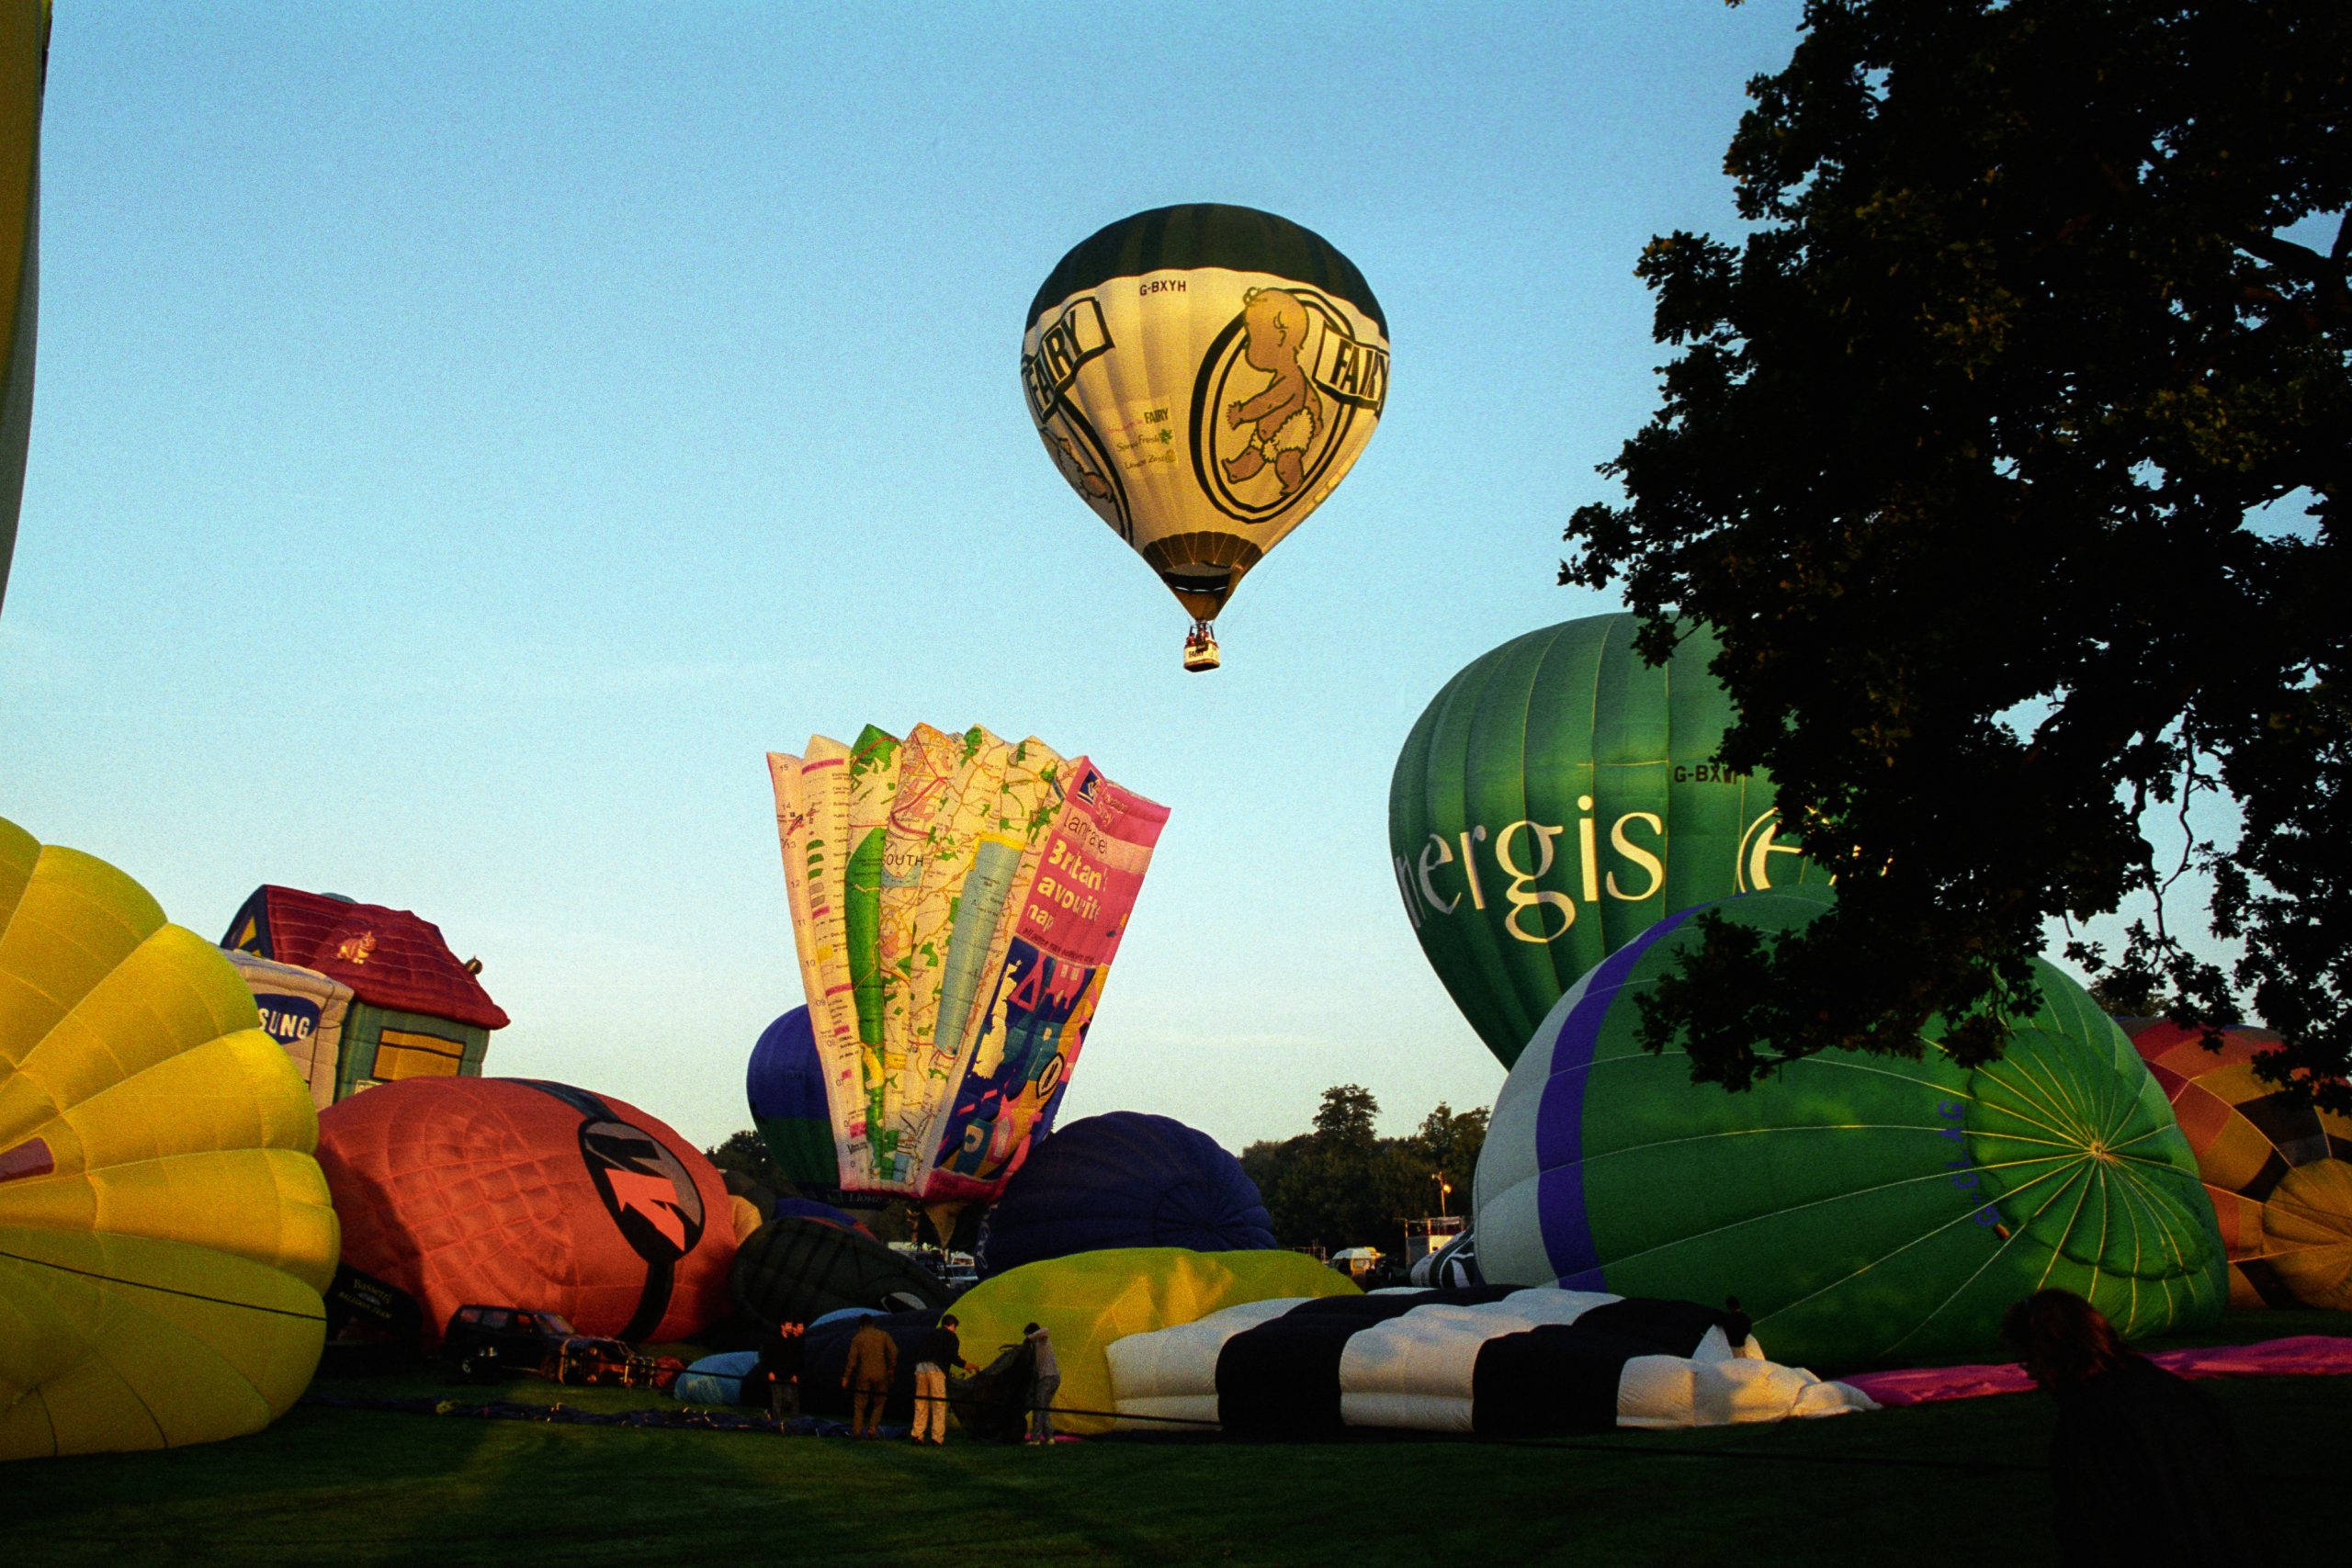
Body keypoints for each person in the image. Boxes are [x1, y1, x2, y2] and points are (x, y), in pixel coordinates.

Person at [1999, 1289, 2256, 1566]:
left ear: (2051, 1352)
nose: (2031, 1374)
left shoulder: (2091, 1418)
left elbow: (2093, 1523)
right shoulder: (2173, 1391)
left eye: (2029, 1361)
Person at [909, 1313, 964, 1446]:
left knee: (921, 1402)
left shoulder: (930, 1334)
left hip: (920, 1367)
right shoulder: (951, 1336)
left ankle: (917, 1434)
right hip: (936, 1369)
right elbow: (952, 1355)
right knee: (938, 1403)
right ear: (952, 1325)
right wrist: (964, 1365)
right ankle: (937, 1437)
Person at [842, 1316, 899, 1438]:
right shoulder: (883, 1335)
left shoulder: (858, 1338)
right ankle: (873, 1427)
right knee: (880, 1401)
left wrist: (846, 1377)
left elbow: (852, 1360)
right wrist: (890, 1367)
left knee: (859, 1404)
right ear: (873, 1324)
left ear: (861, 1326)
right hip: (881, 1373)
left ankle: (857, 1431)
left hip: (863, 1373)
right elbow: (894, 1351)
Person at [760, 1319, 804, 1427]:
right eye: (788, 1325)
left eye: (791, 1325)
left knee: (788, 1399)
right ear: (782, 1326)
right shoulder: (774, 1340)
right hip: (776, 1373)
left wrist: (794, 1374)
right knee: (777, 1399)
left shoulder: (791, 1341)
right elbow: (767, 1357)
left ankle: (771, 1414)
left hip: (787, 1374)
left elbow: (793, 1358)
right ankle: (776, 1422)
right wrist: (769, 1372)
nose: (790, 1327)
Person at [1022, 1321, 1059, 1446]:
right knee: (1044, 1408)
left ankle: (1035, 1439)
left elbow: (1045, 1330)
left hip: (1047, 1378)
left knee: (1038, 1407)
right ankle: (1049, 1437)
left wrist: (1029, 1339)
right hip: (1053, 1377)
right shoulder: (1039, 1345)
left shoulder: (1042, 1340)